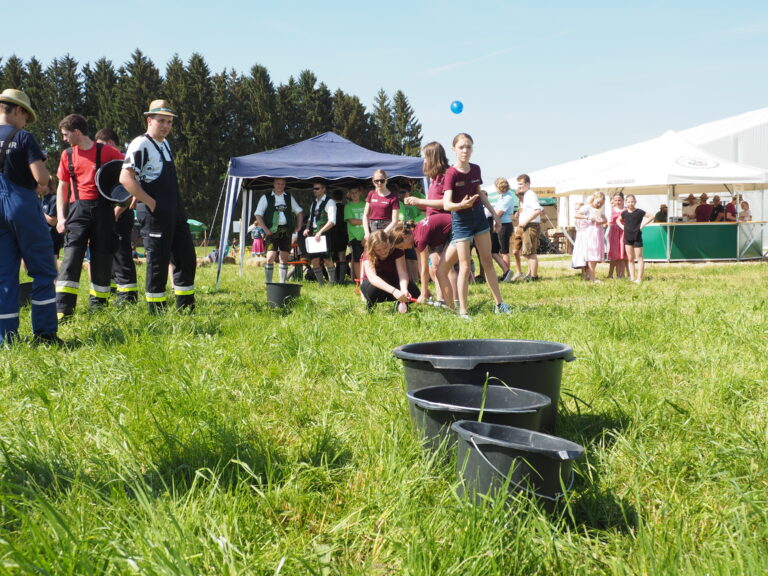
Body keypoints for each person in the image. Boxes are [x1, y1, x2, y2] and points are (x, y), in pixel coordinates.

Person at [119, 99, 197, 313]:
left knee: (186, 257)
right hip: (154, 213)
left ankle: (186, 309)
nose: (166, 126)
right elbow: (126, 178)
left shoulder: (165, 144)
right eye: (161, 121)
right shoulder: (140, 143)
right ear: (149, 120)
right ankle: (157, 311)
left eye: (170, 122)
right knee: (158, 263)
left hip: (175, 211)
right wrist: (149, 201)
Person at [0, 88, 60, 345]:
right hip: (22, 207)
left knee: (4, 276)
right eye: (26, 117)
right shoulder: (23, 137)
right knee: (43, 271)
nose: (25, 122)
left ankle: (5, 338)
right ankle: (45, 335)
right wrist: (39, 163)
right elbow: (42, 179)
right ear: (17, 110)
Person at [55, 114, 124, 319]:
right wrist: (60, 217)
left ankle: (98, 308)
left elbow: (128, 174)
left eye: (66, 135)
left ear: (77, 132)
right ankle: (63, 311)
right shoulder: (67, 155)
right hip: (78, 210)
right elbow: (62, 187)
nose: (65, 139)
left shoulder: (109, 152)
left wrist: (126, 199)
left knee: (102, 258)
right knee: (71, 259)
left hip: (104, 210)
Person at [437, 133, 512, 317]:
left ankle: (499, 304)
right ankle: (463, 311)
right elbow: (446, 204)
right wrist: (461, 205)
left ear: (472, 149)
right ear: (454, 149)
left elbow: (479, 192)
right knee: (464, 265)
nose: (465, 150)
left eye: (468, 147)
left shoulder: (476, 169)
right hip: (461, 221)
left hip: (479, 218)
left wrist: (495, 215)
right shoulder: (451, 173)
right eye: (461, 147)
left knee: (487, 260)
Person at [405, 141, 457, 306]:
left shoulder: (446, 176)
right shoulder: (434, 178)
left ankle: (455, 301)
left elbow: (445, 203)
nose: (423, 160)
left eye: (425, 156)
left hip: (444, 227)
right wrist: (418, 203)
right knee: (435, 266)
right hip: (433, 229)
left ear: (433, 157)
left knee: (446, 267)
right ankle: (442, 299)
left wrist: (420, 200)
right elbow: (432, 202)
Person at [94, 127, 138, 305]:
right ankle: (113, 288)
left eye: (102, 146)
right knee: (111, 252)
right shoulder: (107, 162)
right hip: (109, 214)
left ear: (111, 143)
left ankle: (128, 295)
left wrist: (116, 213)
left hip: (121, 213)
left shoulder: (123, 161)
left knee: (121, 253)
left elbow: (127, 192)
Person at [253, 178, 304, 284]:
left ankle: (282, 283)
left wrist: (298, 227)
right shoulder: (266, 197)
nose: (280, 186)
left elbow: (299, 211)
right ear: (274, 184)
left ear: (285, 185)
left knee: (284, 258)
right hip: (272, 231)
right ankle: (269, 283)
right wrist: (265, 229)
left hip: (286, 230)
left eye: (282, 184)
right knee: (270, 257)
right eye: (278, 183)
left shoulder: (289, 197)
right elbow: (258, 214)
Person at [360, 227, 420, 312]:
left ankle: (400, 304)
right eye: (378, 250)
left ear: (389, 243)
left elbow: (402, 273)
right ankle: (371, 304)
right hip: (376, 286)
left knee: (414, 292)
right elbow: (373, 278)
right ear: (373, 249)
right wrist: (394, 291)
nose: (383, 252)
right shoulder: (368, 254)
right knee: (372, 290)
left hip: (392, 281)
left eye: (385, 247)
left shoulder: (397, 251)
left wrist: (404, 289)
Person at [302, 181, 337, 285]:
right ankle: (321, 284)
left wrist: (320, 231)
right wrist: (307, 228)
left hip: (325, 234)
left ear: (323, 189)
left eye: (317, 188)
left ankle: (331, 283)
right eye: (314, 188)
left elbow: (332, 221)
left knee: (327, 259)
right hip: (313, 235)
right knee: (314, 261)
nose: (314, 191)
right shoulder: (314, 203)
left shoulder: (330, 202)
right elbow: (310, 218)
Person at [619, 194, 654, 284]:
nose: (630, 203)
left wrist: (643, 225)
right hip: (627, 237)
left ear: (635, 202)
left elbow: (651, 216)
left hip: (637, 236)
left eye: (632, 201)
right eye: (628, 202)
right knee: (630, 259)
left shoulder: (639, 212)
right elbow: (617, 220)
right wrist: (622, 227)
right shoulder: (624, 213)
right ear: (626, 202)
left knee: (639, 257)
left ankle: (639, 278)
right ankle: (632, 277)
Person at [516, 173, 543, 281]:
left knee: (530, 253)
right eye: (518, 184)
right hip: (528, 226)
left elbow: (538, 210)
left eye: (521, 184)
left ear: (528, 183)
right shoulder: (526, 195)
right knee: (527, 252)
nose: (519, 186)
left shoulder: (530, 194)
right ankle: (531, 274)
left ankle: (534, 277)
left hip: (530, 226)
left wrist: (526, 221)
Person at [578, 191, 607, 282]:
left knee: (596, 255)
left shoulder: (600, 209)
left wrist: (601, 222)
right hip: (590, 233)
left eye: (601, 203)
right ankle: (592, 277)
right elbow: (577, 215)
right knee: (591, 255)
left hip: (598, 232)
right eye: (598, 202)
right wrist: (587, 218)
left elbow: (605, 219)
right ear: (593, 199)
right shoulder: (587, 207)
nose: (599, 204)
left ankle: (590, 275)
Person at [492, 177, 515, 282]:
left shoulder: (508, 197)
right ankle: (506, 272)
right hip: (499, 224)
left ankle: (507, 274)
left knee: (504, 251)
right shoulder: (502, 196)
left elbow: (499, 213)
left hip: (504, 225)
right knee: (494, 251)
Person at [362, 169, 399, 236]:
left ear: (386, 180)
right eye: (377, 181)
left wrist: (383, 234)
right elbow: (365, 215)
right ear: (373, 182)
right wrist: (366, 233)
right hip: (372, 227)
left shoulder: (393, 197)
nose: (379, 183)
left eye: (382, 181)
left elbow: (395, 221)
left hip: (387, 228)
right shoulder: (371, 194)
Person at [344, 185, 366, 281]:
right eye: (352, 193)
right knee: (357, 259)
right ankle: (360, 280)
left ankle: (368, 278)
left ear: (360, 193)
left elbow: (371, 218)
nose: (354, 194)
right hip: (355, 237)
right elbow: (352, 221)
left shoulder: (365, 204)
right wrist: (366, 220)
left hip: (366, 236)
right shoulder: (348, 206)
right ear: (349, 194)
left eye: (356, 192)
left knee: (368, 258)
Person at [40, 183, 64, 259]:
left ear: (47, 185)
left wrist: (38, 211)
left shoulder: (54, 199)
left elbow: (53, 222)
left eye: (40, 184)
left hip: (52, 237)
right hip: (43, 236)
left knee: (52, 264)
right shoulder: (43, 199)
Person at [606, 193, 626, 279]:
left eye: (619, 200)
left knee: (622, 254)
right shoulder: (610, 210)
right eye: (615, 200)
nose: (617, 202)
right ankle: (610, 274)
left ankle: (621, 274)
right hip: (614, 232)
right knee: (614, 254)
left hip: (624, 232)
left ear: (623, 200)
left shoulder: (626, 210)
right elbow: (607, 221)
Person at [331, 189, 349, 283]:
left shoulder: (330, 207)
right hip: (343, 234)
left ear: (332, 197)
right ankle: (341, 280)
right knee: (342, 257)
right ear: (342, 198)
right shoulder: (345, 207)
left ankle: (333, 279)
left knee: (329, 257)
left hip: (332, 234)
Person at [570, 200, 589, 279]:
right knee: (580, 255)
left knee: (586, 255)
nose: (577, 211)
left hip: (585, 237)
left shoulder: (586, 218)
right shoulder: (577, 219)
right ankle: (583, 272)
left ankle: (588, 273)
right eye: (575, 210)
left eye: (578, 209)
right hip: (579, 237)